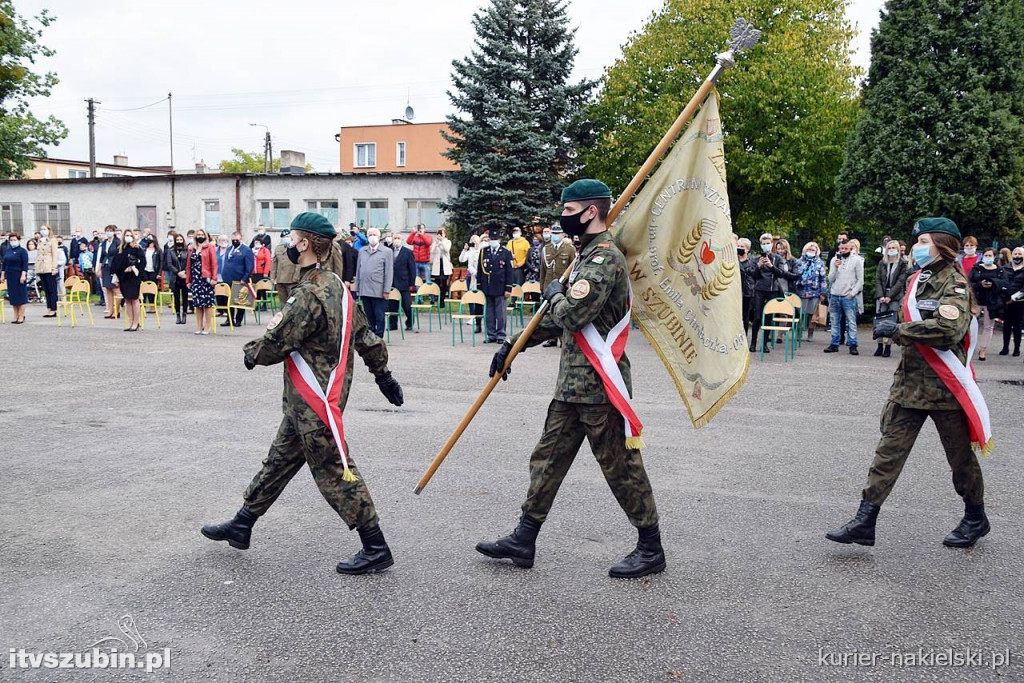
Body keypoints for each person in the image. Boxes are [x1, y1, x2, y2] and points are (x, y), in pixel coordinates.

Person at [476, 179, 664, 578]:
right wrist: (513, 345)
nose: (563, 219)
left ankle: (651, 547)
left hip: (599, 387)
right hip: (570, 388)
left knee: (621, 468)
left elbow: (572, 314)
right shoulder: (584, 257)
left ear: (590, 212)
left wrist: (552, 293)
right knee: (546, 460)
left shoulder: (604, 259)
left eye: (568, 211)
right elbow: (558, 321)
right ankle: (524, 538)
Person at [201, 212, 405, 575]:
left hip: (315, 401)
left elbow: (277, 342)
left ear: (306, 244)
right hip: (311, 400)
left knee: (334, 469)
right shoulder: (338, 288)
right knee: (279, 460)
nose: (289, 245)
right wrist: (383, 374)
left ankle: (375, 546)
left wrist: (251, 354)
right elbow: (367, 338)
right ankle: (243, 523)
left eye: (293, 238)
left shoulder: (309, 293)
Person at [827, 217, 992, 549]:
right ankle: (865, 520)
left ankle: (975, 517)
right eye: (916, 241)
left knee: (960, 461)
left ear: (942, 244)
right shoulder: (918, 279)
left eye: (923, 241)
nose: (916, 247)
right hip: (910, 386)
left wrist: (900, 331)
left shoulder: (954, 283)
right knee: (887, 454)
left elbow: (949, 332)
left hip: (945, 389)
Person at [824, 237, 864, 355]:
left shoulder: (857, 260)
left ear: (850, 248)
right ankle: (834, 343)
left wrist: (852, 293)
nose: (843, 250)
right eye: (841, 248)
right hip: (835, 294)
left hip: (848, 295)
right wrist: (836, 267)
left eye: (846, 248)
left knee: (851, 321)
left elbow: (860, 280)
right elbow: (830, 278)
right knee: (834, 320)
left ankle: (853, 344)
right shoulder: (833, 260)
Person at [749, 233, 788, 353]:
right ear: (761, 245)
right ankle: (753, 343)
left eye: (768, 243)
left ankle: (764, 344)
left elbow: (781, 274)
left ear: (772, 244)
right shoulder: (756, 259)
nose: (766, 245)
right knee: (757, 318)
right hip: (759, 290)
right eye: (763, 244)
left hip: (773, 290)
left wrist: (771, 266)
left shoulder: (778, 258)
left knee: (768, 318)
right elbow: (753, 275)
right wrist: (759, 266)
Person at [538, 225, 577, 347]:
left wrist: (571, 286)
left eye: (557, 233)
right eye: (553, 233)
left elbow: (573, 268)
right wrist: (542, 286)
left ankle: (563, 338)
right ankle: (552, 338)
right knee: (550, 312)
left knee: (562, 312)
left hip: (563, 287)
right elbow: (543, 270)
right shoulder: (546, 249)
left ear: (563, 235)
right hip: (549, 285)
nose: (554, 235)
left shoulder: (569, 249)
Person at [353, 227, 393, 338]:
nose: (372, 237)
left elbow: (389, 272)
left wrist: (386, 290)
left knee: (379, 315)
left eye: (374, 234)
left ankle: (379, 337)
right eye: (370, 235)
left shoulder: (387, 252)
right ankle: (370, 335)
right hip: (365, 289)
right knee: (368, 315)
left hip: (379, 289)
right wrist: (357, 287)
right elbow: (358, 270)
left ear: (379, 237)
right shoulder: (362, 251)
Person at [477, 227, 514, 343]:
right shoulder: (484, 252)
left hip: (500, 287)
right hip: (487, 286)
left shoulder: (506, 253)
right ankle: (491, 334)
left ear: (499, 240)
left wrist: (508, 287)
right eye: (491, 238)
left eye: (495, 238)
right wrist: (479, 285)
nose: (493, 240)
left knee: (500, 313)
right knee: (489, 313)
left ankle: (501, 335)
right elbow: (480, 269)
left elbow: (509, 271)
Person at [873, 239, 909, 357]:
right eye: (889, 248)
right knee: (879, 319)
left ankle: (888, 346)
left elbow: (900, 281)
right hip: (882, 294)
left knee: (891, 320)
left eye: (893, 248)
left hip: (895, 296)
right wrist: (881, 295)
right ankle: (879, 346)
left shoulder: (902, 263)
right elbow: (878, 279)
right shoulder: (882, 263)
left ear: (898, 250)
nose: (891, 250)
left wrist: (889, 296)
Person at [968, 247, 1005, 361]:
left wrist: (993, 284)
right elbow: (971, 281)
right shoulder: (977, 268)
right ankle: (968, 346)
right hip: (977, 300)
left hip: (991, 301)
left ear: (994, 257)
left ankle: (983, 349)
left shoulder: (999, 270)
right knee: (970, 324)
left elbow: (1004, 283)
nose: (988, 258)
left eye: (990, 256)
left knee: (988, 327)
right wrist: (980, 284)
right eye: (986, 255)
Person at [112, 229, 145, 332]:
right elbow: (116, 263)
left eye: (130, 235)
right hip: (123, 277)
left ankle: (136, 322)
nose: (129, 237)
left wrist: (133, 267)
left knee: (134, 299)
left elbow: (143, 262)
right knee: (127, 300)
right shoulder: (120, 249)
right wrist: (121, 270)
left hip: (134, 277)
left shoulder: (137, 248)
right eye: (127, 235)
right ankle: (131, 321)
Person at [186, 228, 218, 335]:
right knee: (198, 304)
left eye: (202, 234)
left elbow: (214, 263)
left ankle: (207, 326)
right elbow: (188, 266)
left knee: (207, 304)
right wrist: (188, 280)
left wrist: (214, 278)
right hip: (195, 279)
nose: (200, 236)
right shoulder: (191, 248)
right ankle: (199, 326)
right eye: (198, 234)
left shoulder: (209, 247)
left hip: (206, 278)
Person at [221, 231, 254, 326]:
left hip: (240, 279)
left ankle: (239, 320)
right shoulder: (229, 249)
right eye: (233, 240)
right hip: (228, 279)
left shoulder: (246, 250)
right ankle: (230, 319)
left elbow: (250, 266)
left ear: (241, 239)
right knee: (228, 301)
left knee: (240, 301)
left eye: (237, 240)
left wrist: (245, 278)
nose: (235, 241)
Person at [794, 242, 826, 340]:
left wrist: (823, 292)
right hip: (801, 291)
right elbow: (795, 275)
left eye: (813, 250)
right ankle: (799, 333)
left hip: (815, 291)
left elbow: (823, 278)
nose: (811, 251)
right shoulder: (799, 261)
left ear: (816, 251)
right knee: (801, 313)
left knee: (813, 314)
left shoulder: (820, 263)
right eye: (809, 250)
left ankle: (810, 334)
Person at [1000, 246, 1024, 357]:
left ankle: (1017, 349)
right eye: (1015, 254)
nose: (1017, 256)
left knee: (1017, 326)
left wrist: (1013, 298)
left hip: (1019, 302)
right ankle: (1005, 348)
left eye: (1020, 254)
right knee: (1006, 325)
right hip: (1006, 301)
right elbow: (1001, 282)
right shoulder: (1005, 268)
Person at [390, 233, 416, 332]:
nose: (396, 240)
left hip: (404, 282)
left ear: (402, 240)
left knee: (407, 305)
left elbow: (412, 269)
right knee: (392, 305)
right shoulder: (389, 251)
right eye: (395, 238)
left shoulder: (408, 252)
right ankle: (393, 324)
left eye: (398, 238)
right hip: (392, 282)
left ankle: (410, 323)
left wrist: (411, 283)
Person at [1, 233, 29, 323]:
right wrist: (2, 275)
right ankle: (15, 315)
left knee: (21, 296)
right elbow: (4, 265)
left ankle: (21, 316)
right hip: (10, 276)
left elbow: (25, 265)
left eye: (15, 240)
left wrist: (23, 275)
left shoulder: (22, 251)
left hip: (19, 275)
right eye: (11, 240)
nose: (13, 242)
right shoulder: (7, 251)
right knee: (13, 297)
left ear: (19, 240)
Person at [162, 233, 189, 324]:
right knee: (176, 297)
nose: (179, 242)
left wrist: (184, 272)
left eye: (181, 240)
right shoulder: (171, 251)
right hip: (175, 277)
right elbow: (169, 264)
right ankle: (178, 315)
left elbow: (189, 263)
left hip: (185, 277)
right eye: (177, 240)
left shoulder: (187, 250)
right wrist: (177, 272)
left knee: (185, 297)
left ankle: (184, 315)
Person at [459, 234, 482, 333]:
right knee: (471, 297)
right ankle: (473, 316)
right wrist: (464, 249)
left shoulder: (481, 250)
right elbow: (462, 260)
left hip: (480, 278)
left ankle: (479, 317)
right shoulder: (469, 252)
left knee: (479, 299)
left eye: (474, 241)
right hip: (471, 277)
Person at [35, 225, 60, 317]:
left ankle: (54, 309)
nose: (43, 231)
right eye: (41, 229)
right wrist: (37, 268)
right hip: (41, 268)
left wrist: (54, 267)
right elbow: (38, 255)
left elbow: (54, 255)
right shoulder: (40, 241)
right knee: (46, 290)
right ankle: (48, 308)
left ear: (49, 230)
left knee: (52, 289)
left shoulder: (52, 240)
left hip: (49, 267)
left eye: (45, 229)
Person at [271, 228, 300, 303]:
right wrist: (273, 277)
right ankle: (284, 314)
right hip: (280, 279)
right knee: (283, 301)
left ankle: (292, 314)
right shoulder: (278, 248)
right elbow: (274, 263)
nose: (286, 239)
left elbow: (298, 263)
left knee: (291, 301)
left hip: (291, 279)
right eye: (284, 237)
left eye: (287, 237)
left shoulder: (295, 248)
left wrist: (296, 277)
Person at [97, 227, 118, 318]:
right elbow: (102, 256)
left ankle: (116, 310)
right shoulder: (104, 243)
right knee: (108, 289)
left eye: (110, 231)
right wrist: (99, 269)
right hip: (105, 266)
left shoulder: (117, 242)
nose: (109, 232)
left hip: (114, 266)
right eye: (107, 231)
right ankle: (110, 309)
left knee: (115, 289)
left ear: (114, 232)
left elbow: (119, 255)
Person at [737, 238, 756, 336]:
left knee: (745, 316)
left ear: (747, 249)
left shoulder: (752, 262)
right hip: (735, 292)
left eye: (742, 246)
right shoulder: (733, 259)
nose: (739, 248)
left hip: (747, 292)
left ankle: (743, 337)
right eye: (738, 246)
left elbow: (753, 275)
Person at [429, 226, 453, 304]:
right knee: (437, 282)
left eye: (442, 233)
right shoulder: (435, 242)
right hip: (437, 264)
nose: (440, 235)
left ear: (445, 234)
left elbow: (446, 249)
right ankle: (438, 297)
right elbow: (432, 251)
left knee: (444, 281)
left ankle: (442, 298)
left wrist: (441, 242)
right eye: (439, 233)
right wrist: (436, 243)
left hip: (445, 264)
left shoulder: (447, 241)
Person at [141, 233, 162, 303]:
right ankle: (143, 303)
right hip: (145, 271)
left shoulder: (158, 250)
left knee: (152, 288)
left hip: (154, 271)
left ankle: (152, 304)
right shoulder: (144, 250)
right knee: (144, 287)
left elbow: (161, 262)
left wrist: (159, 273)